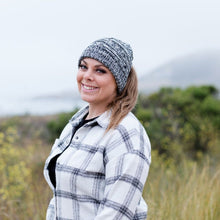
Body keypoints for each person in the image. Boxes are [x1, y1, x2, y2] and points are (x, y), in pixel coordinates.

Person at [44, 37, 151, 220]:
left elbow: (116, 214)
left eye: (100, 70)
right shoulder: (75, 123)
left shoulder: (126, 133)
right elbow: (60, 197)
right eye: (83, 67)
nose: (87, 76)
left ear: (119, 81)